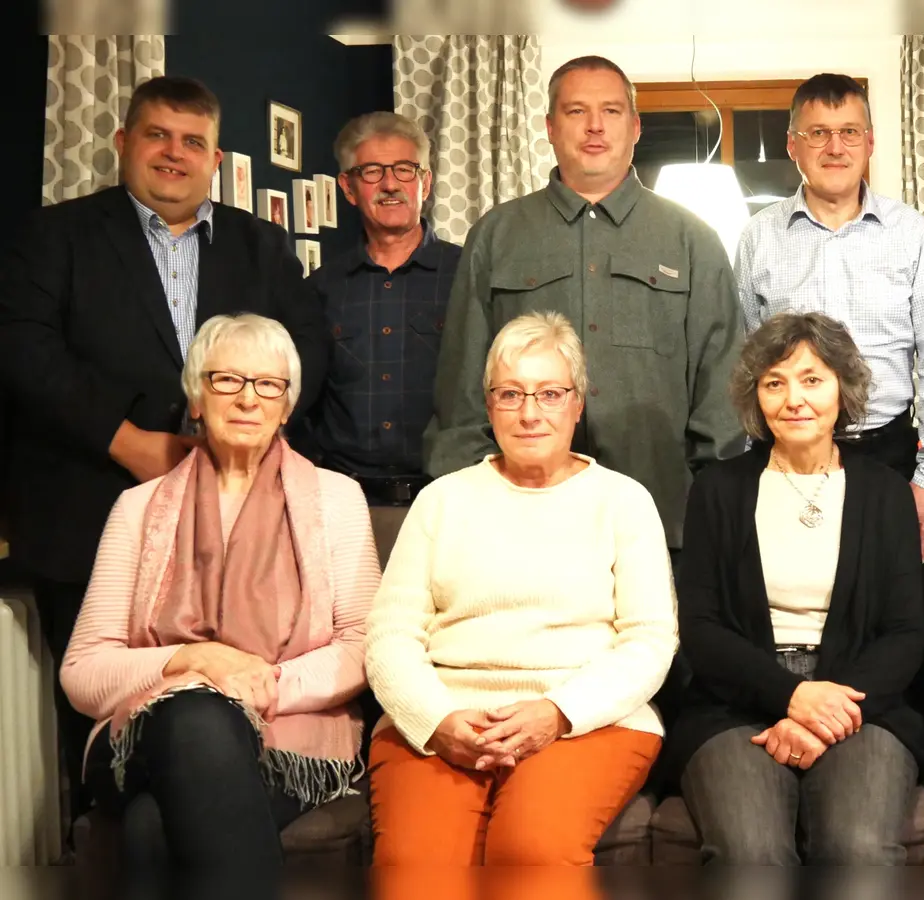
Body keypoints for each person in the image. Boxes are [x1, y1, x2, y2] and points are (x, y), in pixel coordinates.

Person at [0, 75, 326, 821]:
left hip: (241, 518)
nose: (173, 154)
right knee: (109, 717)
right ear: (122, 143)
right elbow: (25, 351)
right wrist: (128, 442)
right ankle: (111, 825)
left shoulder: (261, 244)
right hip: (90, 505)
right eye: (157, 135)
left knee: (227, 692)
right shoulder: (57, 236)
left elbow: (305, 349)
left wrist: (245, 437)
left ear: (216, 158)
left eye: (192, 141)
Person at [58, 313, 376, 869]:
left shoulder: (336, 499)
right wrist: (196, 660)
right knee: (195, 716)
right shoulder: (140, 508)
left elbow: (362, 647)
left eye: (268, 384)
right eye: (226, 380)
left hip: (289, 732)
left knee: (150, 828)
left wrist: (259, 686)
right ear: (197, 397)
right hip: (144, 732)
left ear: (286, 406)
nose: (248, 398)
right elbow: (83, 669)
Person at [367, 312, 677, 865]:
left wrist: (557, 712)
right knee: (418, 866)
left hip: (584, 720)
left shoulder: (624, 501)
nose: (530, 413)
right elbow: (389, 635)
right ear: (489, 406)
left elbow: (650, 640)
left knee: (530, 853)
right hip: (447, 717)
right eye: (510, 394)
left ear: (578, 405)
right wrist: (437, 721)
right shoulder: (440, 500)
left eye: (550, 394)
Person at [737, 71, 924, 783]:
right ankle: (788, 742)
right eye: (818, 133)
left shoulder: (910, 234)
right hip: (787, 456)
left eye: (848, 133)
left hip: (891, 457)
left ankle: (898, 773)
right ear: (793, 145)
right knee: (796, 610)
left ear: (869, 143)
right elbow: (748, 368)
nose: (835, 147)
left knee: (903, 627)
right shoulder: (760, 238)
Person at [426, 55, 744, 552]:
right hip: (519, 517)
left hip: (662, 518)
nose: (595, 126)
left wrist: (713, 500)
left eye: (611, 111)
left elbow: (721, 385)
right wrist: (474, 498)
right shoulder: (497, 235)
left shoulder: (692, 241)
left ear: (635, 126)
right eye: (577, 112)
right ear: (550, 128)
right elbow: (462, 386)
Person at [665, 312, 924, 864]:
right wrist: (789, 696)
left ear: (843, 389)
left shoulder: (885, 492)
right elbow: (702, 630)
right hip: (734, 703)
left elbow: (905, 634)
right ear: (755, 396)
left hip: (859, 703)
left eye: (812, 379)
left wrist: (824, 711)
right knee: (750, 853)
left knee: (857, 850)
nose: (794, 399)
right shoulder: (718, 490)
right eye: (774, 383)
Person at [300, 111, 463, 566]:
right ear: (349, 188)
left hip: (447, 508)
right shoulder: (319, 288)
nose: (390, 183)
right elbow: (302, 402)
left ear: (424, 183)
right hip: (343, 513)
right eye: (372, 171)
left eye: (404, 170)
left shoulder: (469, 276)